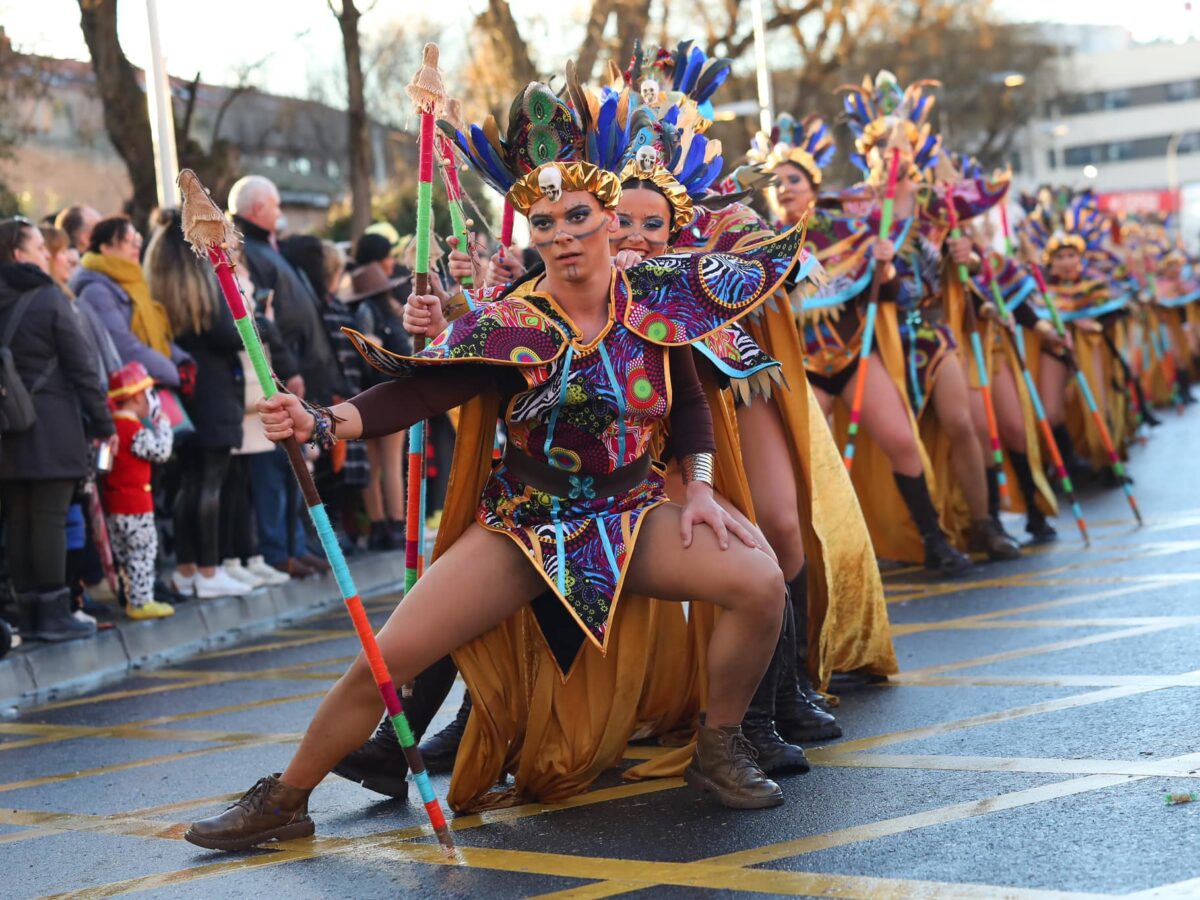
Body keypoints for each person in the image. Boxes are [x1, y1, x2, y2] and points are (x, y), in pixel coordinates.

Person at [185, 74, 806, 851]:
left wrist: (705, 492)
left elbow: (686, 408)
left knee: (758, 581)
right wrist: (322, 421)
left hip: (631, 513)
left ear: (610, 219)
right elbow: (417, 392)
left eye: (578, 216)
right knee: (386, 662)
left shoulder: (657, 300)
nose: (563, 235)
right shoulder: (512, 324)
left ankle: (721, 746)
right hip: (526, 527)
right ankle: (285, 797)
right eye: (544, 222)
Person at [0, 217, 113, 641]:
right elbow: (81, 367)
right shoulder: (47, 298)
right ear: (18, 254)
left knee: (19, 519)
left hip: (7, 425)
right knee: (47, 517)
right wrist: (102, 422)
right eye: (38, 248)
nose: (47, 255)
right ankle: (51, 613)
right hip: (50, 425)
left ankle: (26, 611)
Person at [144, 210, 251, 599]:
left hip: (180, 392)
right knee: (210, 483)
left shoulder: (157, 277)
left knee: (188, 483)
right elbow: (230, 333)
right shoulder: (203, 281)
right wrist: (257, 319)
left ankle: (188, 569)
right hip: (215, 390)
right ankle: (209, 570)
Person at [344, 237, 410, 551]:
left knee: (373, 463)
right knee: (392, 461)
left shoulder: (356, 312)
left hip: (362, 393)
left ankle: (378, 524)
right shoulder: (387, 310)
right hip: (392, 392)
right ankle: (396, 525)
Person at [71, 216, 189, 390]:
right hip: (130, 390)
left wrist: (182, 361)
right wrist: (172, 372)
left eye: (136, 238)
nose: (136, 246)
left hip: (152, 381)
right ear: (105, 248)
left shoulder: (134, 281)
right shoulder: (96, 291)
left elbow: (157, 336)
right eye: (126, 240)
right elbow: (124, 347)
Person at [102, 361, 176, 619]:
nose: (152, 400)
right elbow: (161, 452)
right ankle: (142, 601)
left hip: (114, 506)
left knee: (124, 556)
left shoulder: (111, 428)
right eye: (148, 393)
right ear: (135, 397)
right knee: (142, 554)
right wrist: (164, 427)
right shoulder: (133, 430)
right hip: (136, 506)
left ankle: (129, 596)